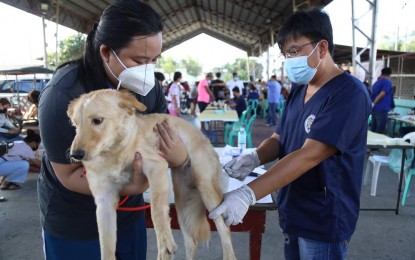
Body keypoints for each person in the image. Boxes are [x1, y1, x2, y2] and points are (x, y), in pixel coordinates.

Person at [209, 8, 371, 260]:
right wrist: (254, 158)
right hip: (292, 206)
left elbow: (310, 154)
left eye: (295, 51)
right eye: (286, 54)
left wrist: (248, 193)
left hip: (323, 217)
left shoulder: (348, 94)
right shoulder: (299, 89)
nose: (290, 59)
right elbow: (279, 137)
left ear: (322, 48)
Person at [37, 1, 188, 259]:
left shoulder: (148, 89)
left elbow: (166, 138)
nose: (147, 69)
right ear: (106, 52)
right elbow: (70, 174)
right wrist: (132, 185)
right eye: (139, 60)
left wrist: (179, 157)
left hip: (128, 216)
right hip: (76, 221)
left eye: (153, 60)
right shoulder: (64, 95)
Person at [371, 67, 393, 134]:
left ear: (382, 73)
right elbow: (383, 93)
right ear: (389, 74)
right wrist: (374, 103)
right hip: (382, 109)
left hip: (374, 109)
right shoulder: (387, 82)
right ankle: (377, 144)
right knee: (380, 130)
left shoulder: (376, 82)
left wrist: (373, 104)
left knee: (373, 128)